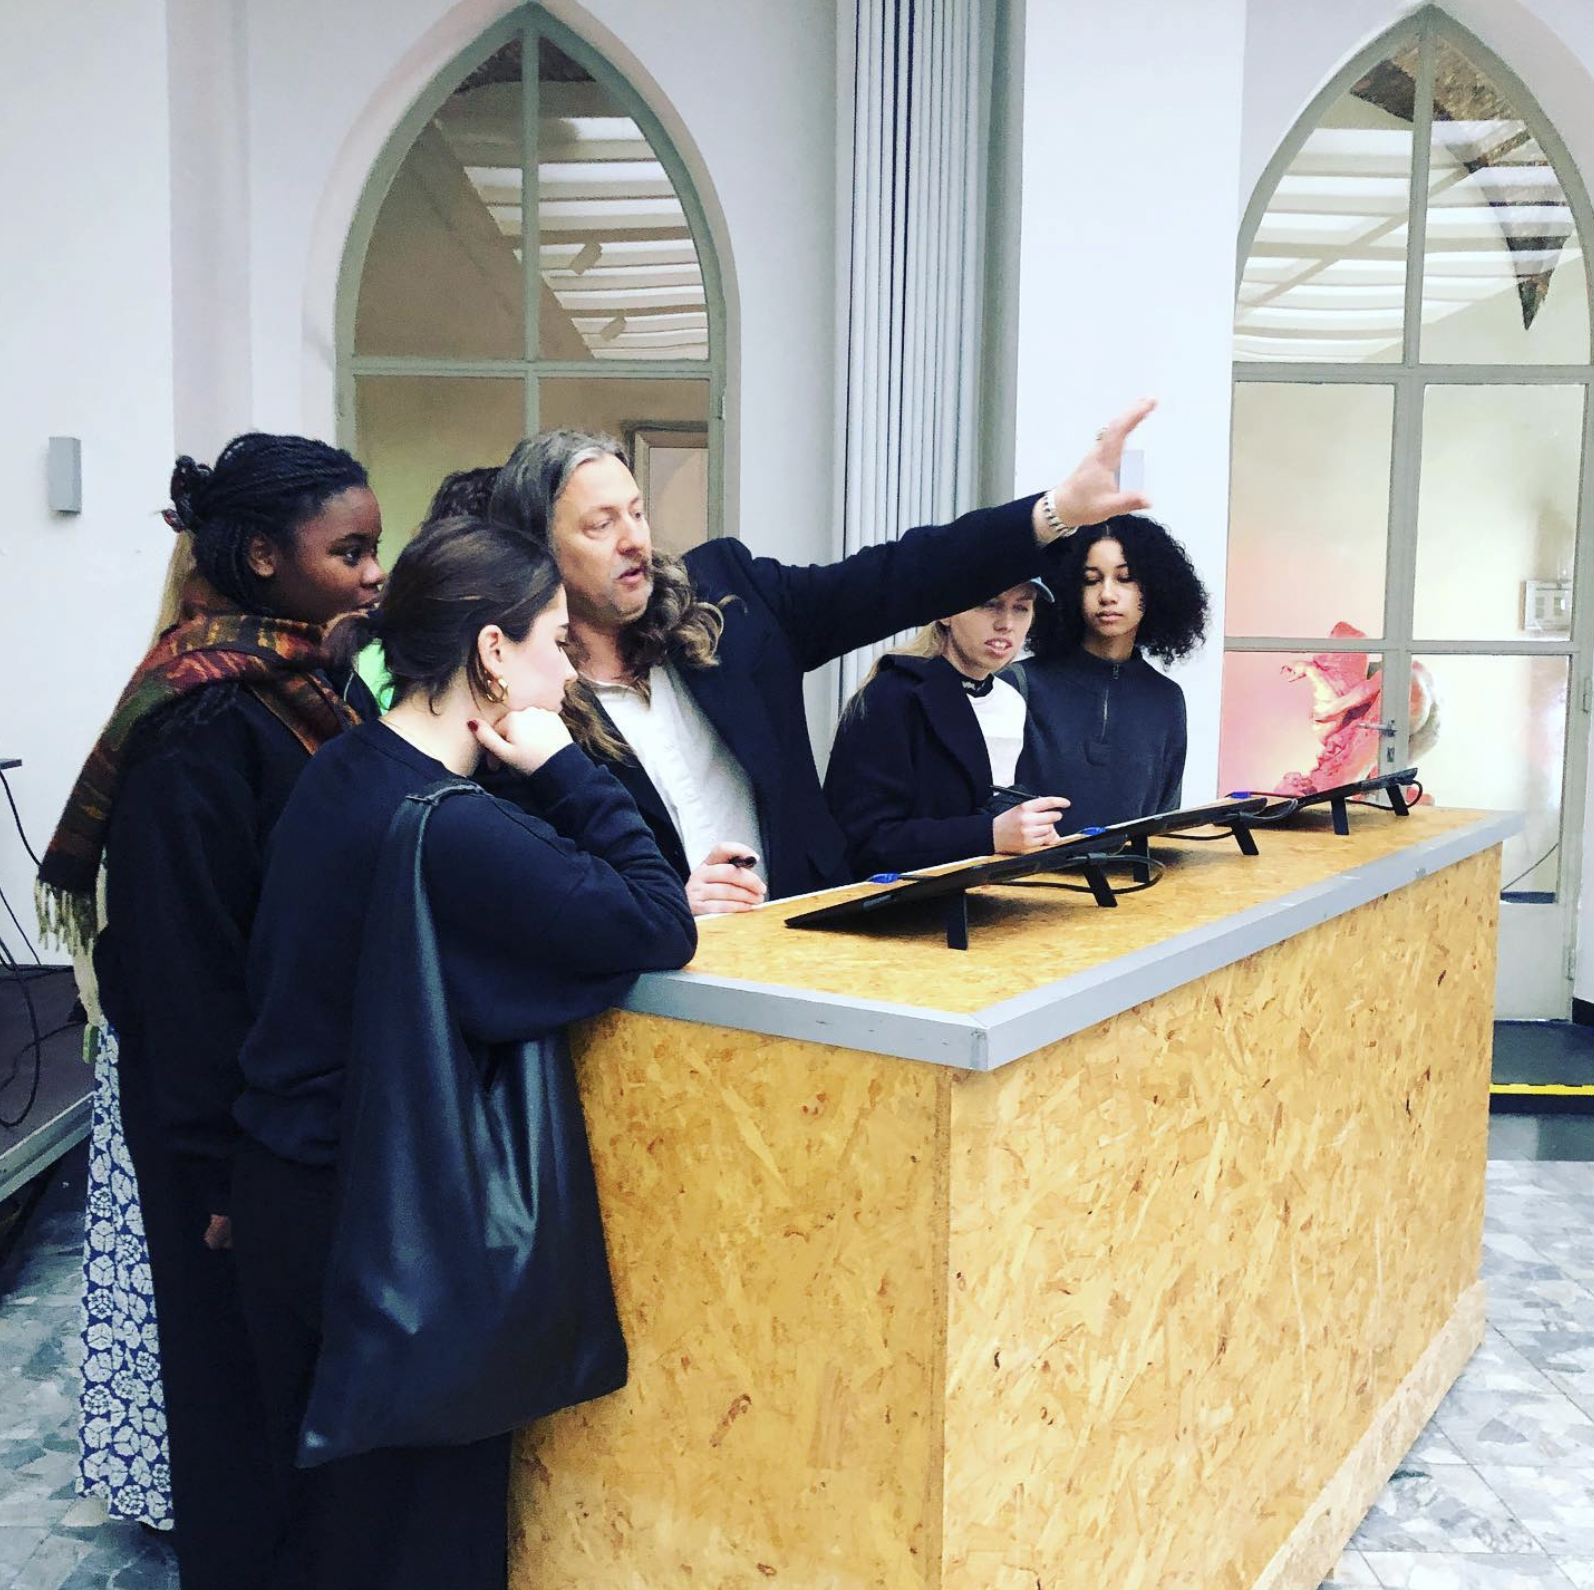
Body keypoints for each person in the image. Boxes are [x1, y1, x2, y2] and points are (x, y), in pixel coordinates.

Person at [229, 518, 696, 1590]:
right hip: (390, 1227)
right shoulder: (454, 829)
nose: (567, 668)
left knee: (334, 1533)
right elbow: (654, 919)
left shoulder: (346, 765)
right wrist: (569, 769)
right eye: (553, 644)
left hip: (290, 1198)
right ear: (492, 653)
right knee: (422, 1542)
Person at [36, 434, 385, 1590]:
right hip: (226, 1162)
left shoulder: (302, 687)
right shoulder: (199, 724)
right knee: (241, 1439)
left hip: (280, 1139)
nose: (373, 572)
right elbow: (182, 978)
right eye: (350, 551)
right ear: (260, 558)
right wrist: (224, 1180)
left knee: (297, 1432)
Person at [487, 400, 1156, 914]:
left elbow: (895, 576)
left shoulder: (727, 596)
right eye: (602, 525)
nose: (634, 539)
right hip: (654, 1011)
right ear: (538, 552)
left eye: (636, 512)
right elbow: (539, 897)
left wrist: (1054, 512)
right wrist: (659, 912)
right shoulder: (522, 701)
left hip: (803, 959)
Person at [823, 581, 1072, 876]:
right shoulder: (890, 696)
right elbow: (863, 841)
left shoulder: (1009, 700)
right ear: (946, 611)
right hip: (898, 911)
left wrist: (1031, 833)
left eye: (1021, 608)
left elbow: (987, 806)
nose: (1006, 624)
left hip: (978, 900)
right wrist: (989, 834)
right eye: (988, 603)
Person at [1016, 513, 1209, 831]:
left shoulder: (1166, 699)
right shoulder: (1019, 685)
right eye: (1091, 580)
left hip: (1133, 879)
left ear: (1157, 587)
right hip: (1032, 879)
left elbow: (1164, 825)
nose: (1107, 594)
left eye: (1126, 578)